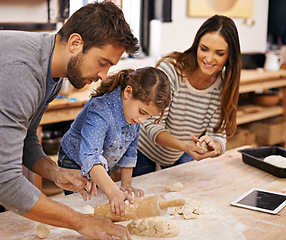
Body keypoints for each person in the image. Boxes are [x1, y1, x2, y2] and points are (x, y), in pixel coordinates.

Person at [0, 1, 139, 239]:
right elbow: (6, 182)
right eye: (102, 62)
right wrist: (82, 223)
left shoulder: (54, 71)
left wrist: (55, 172)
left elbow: (25, 138)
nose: (102, 76)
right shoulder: (23, 71)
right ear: (76, 43)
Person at [133, 15, 242, 177]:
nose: (209, 58)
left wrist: (213, 146)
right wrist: (185, 146)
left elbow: (219, 136)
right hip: (143, 150)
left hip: (180, 152)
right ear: (196, 45)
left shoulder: (224, 85)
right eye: (204, 49)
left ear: (229, 56)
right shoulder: (172, 70)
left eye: (219, 53)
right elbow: (151, 125)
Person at [58, 67, 171, 216]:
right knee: (86, 209)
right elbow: (91, 156)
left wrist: (126, 185)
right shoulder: (99, 111)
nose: (141, 120)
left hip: (101, 162)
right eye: (142, 112)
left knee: (105, 201)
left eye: (148, 116)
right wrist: (113, 192)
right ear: (128, 92)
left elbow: (130, 151)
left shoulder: (133, 116)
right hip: (74, 161)